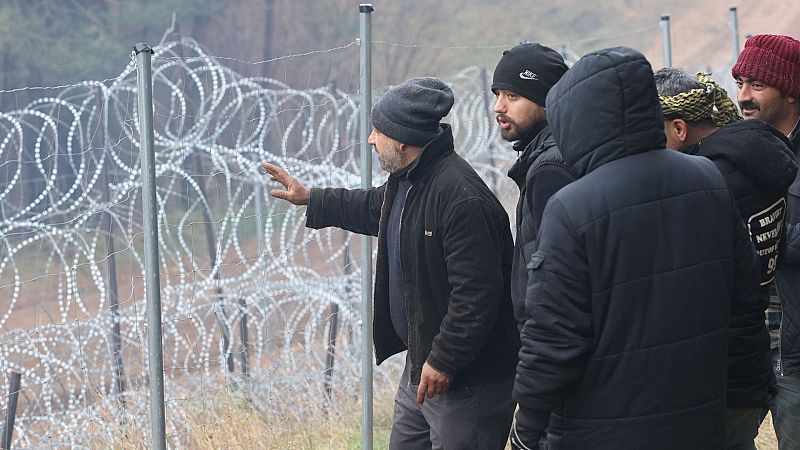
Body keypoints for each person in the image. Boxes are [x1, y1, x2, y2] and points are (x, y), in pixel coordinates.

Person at [510, 47, 761, 450]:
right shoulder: (708, 180)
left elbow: (554, 339)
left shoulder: (574, 207)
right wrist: (744, 394)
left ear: (578, 119)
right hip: (697, 417)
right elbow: (744, 301)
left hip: (599, 427)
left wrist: (527, 425)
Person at [262, 77, 519, 450]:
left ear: (401, 140)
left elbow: (477, 295)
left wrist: (444, 361)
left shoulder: (459, 198)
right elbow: (374, 208)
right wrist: (311, 199)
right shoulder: (410, 181)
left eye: (377, 132)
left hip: (466, 382)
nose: (370, 140)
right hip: (423, 369)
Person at [656, 67, 797, 450]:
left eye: (654, 132)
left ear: (680, 129)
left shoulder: (706, 184)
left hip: (719, 364)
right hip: (750, 356)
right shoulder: (752, 162)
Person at [733, 33, 800, 450]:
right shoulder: (742, 152)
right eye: (739, 83)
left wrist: (764, 238)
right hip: (751, 347)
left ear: (791, 92)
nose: (743, 97)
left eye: (757, 85)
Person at [491, 43, 574, 324]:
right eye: (498, 94)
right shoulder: (545, 156)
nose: (498, 107)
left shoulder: (550, 169)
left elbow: (560, 276)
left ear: (546, 100)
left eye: (512, 95)